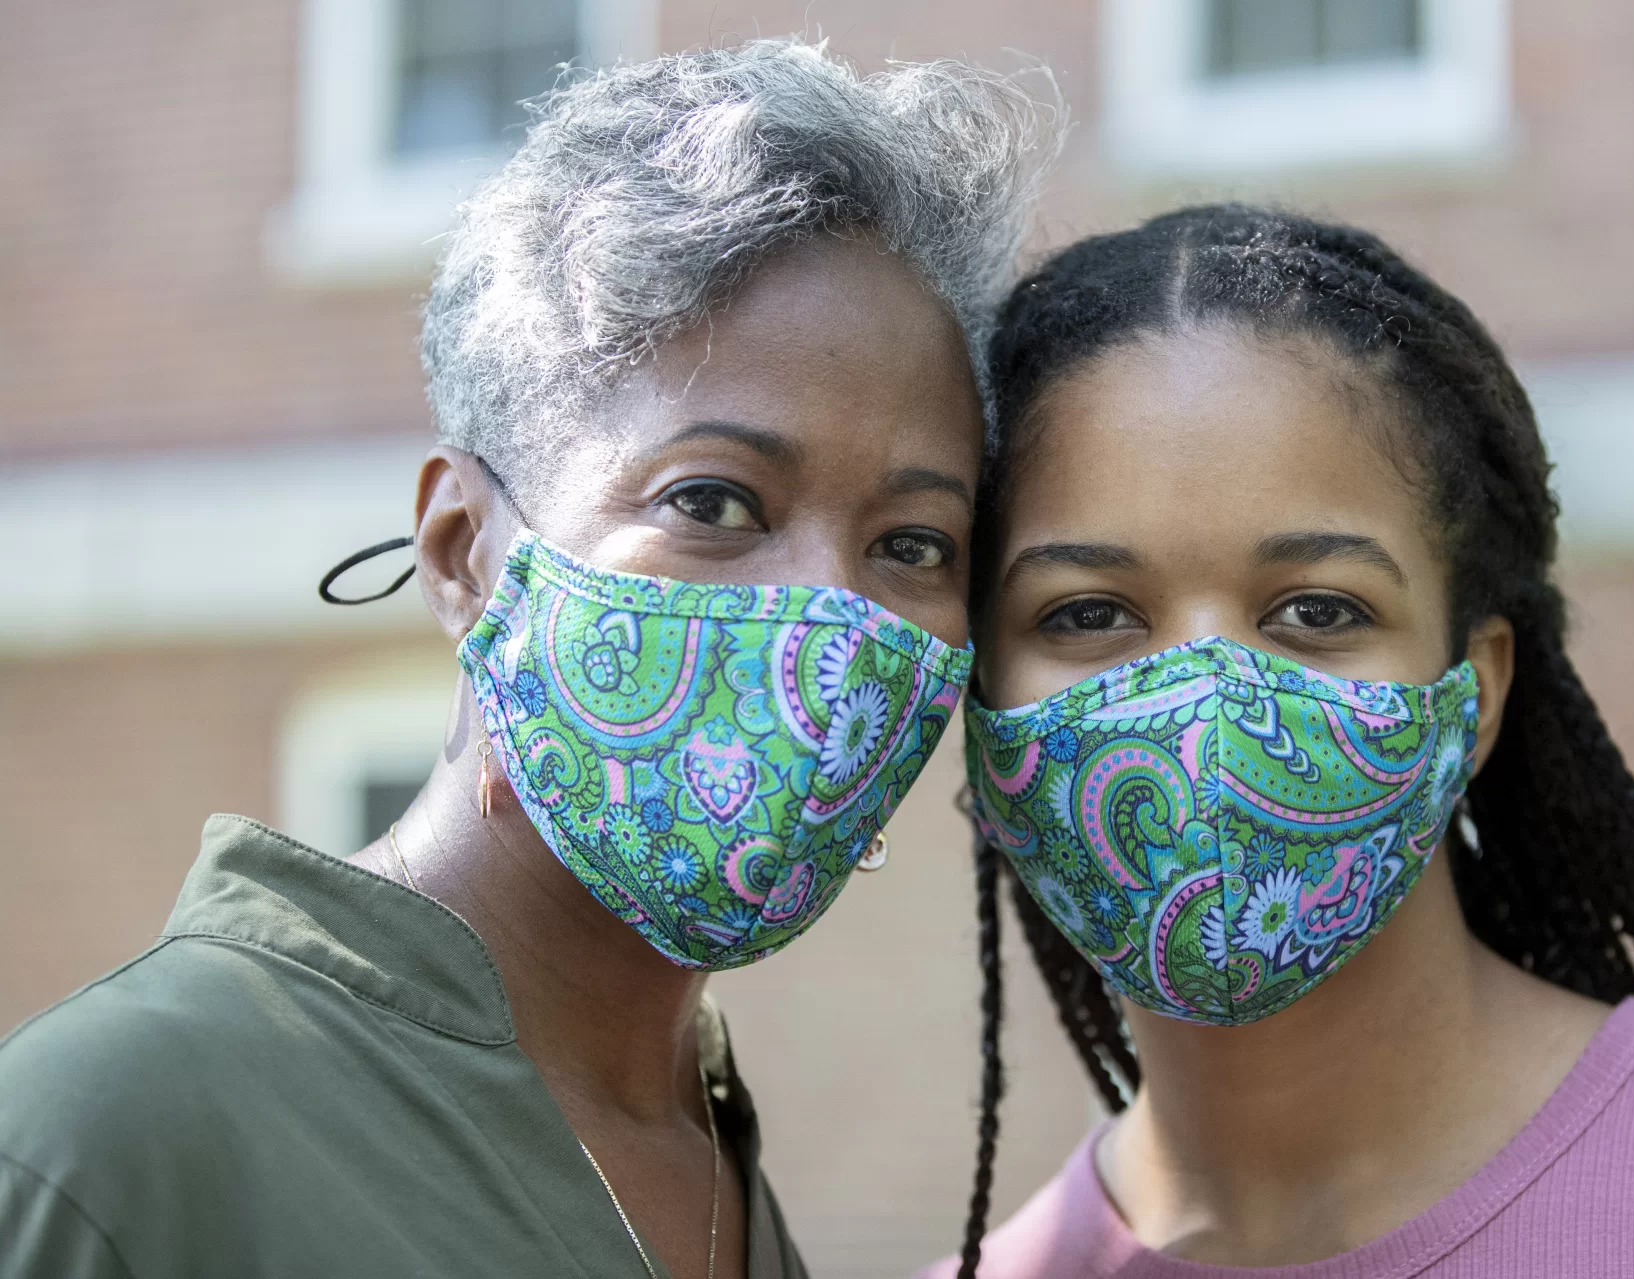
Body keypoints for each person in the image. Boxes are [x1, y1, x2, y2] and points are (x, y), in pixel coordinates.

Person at [0, 40, 1050, 1279]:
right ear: (462, 552)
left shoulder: (699, 1141)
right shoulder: (112, 1134)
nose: (829, 619)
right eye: (712, 503)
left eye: (912, 542)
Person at [928, 205, 1634, 1278]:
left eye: (1315, 610)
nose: (1203, 703)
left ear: (1476, 693)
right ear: (979, 702)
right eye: (1085, 613)